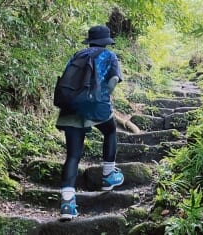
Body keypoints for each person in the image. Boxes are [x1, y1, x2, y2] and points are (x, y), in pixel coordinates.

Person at [55, 25, 124, 221]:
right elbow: (112, 81)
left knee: (73, 155)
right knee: (110, 130)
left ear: (90, 40)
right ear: (106, 41)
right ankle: (108, 175)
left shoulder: (78, 54)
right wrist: (102, 99)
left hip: (71, 105)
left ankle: (67, 204)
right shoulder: (109, 56)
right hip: (94, 104)